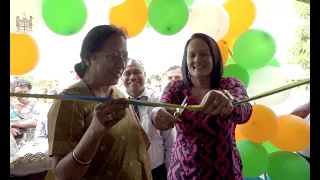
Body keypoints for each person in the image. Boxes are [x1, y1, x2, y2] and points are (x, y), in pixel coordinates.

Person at [47, 25, 152, 180]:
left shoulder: (117, 94)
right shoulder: (69, 102)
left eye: (124, 56)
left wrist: (157, 116)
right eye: (113, 57)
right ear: (88, 58)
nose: (122, 65)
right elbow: (62, 175)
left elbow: (138, 147)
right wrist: (95, 130)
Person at [150, 33, 253, 180]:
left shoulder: (230, 84)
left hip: (224, 172)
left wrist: (229, 102)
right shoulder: (175, 88)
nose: (197, 60)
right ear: (186, 61)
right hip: (182, 172)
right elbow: (160, 108)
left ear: (215, 57)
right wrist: (156, 114)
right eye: (191, 55)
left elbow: (245, 112)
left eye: (204, 54)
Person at [122, 59, 176, 180]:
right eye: (127, 73)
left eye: (137, 72)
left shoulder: (159, 102)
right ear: (121, 77)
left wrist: (169, 174)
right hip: (127, 171)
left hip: (156, 171)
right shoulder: (117, 104)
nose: (132, 76)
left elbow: (170, 144)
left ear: (144, 75)